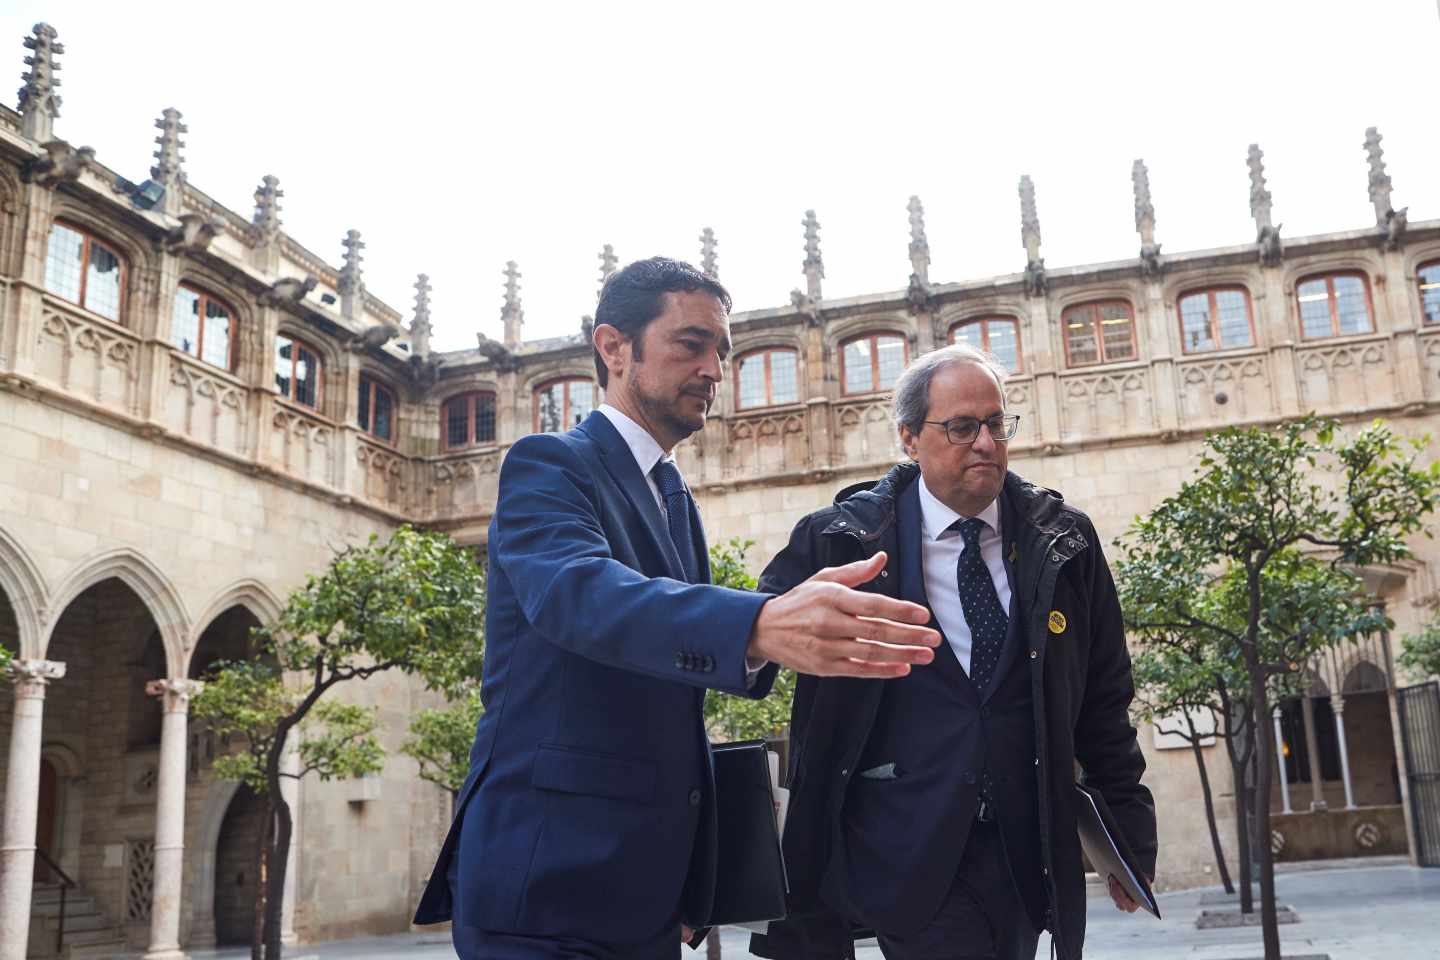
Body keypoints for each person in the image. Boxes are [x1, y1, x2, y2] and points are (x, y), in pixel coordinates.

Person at [413, 257, 941, 960]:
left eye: (721, 351)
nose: (715, 370)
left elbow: (672, 688)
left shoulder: (673, 499)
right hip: (548, 886)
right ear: (613, 347)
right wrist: (758, 624)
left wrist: (693, 876)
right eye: (690, 344)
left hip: (644, 893)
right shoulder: (548, 463)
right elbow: (579, 595)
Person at [750, 344, 1157, 960]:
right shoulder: (840, 541)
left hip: (1027, 853)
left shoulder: (1064, 541)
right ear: (910, 438)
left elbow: (1104, 697)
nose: (986, 442)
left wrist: (1126, 835)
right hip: (905, 849)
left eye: (996, 424)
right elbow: (754, 640)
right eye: (962, 427)